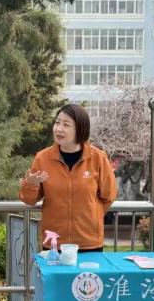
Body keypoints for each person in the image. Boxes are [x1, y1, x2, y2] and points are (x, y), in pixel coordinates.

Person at [19, 104, 117, 251]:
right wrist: (30, 184)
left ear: (80, 129)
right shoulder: (42, 158)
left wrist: (93, 216)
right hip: (54, 241)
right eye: (57, 122)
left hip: (89, 242)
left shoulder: (98, 158)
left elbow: (109, 195)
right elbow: (29, 200)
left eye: (66, 125)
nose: (59, 129)